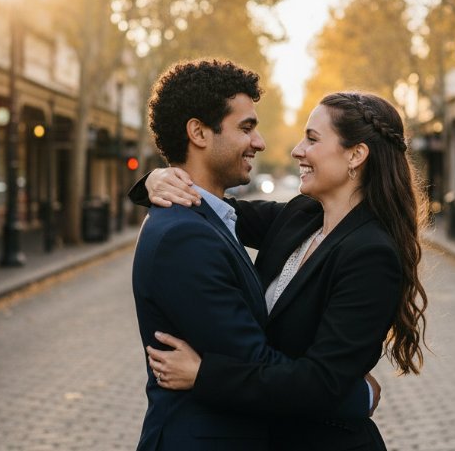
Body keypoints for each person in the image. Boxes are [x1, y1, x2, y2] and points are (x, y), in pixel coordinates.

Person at [138, 91, 428, 451]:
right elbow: (209, 207)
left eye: (312, 138)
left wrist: (203, 375)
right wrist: (155, 180)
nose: (297, 150)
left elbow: (319, 384)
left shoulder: (371, 254)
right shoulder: (301, 216)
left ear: (356, 155)